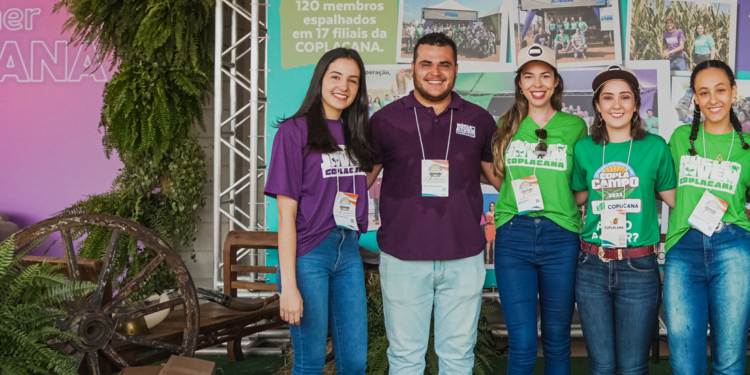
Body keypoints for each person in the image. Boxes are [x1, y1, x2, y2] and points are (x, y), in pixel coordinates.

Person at [368, 33, 501, 374]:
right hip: (402, 259)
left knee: (457, 357)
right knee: (405, 358)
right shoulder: (384, 121)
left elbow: (501, 179)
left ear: (456, 69)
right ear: (412, 68)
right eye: (426, 63)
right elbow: (360, 180)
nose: (435, 72)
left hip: (464, 258)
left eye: (444, 64)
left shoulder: (479, 119)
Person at [265, 48, 374, 375]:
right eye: (336, 77)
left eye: (353, 80)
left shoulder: (356, 134)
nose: (344, 86)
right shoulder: (294, 132)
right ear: (320, 80)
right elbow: (286, 216)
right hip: (309, 253)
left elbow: (353, 185)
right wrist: (289, 286)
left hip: (349, 251)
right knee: (310, 362)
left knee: (355, 361)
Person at [571, 65, 676, 375]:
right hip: (591, 265)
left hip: (638, 267)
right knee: (601, 366)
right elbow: (574, 198)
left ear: (635, 104)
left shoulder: (656, 147)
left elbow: (675, 201)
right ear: (598, 107)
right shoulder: (584, 149)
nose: (616, 104)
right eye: (608, 98)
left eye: (625, 97)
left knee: (632, 367)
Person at [492, 44, 587, 374]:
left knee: (558, 339)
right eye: (529, 75)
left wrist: (555, 203)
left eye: (545, 75)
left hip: (561, 237)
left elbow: (582, 185)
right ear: (519, 83)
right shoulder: (506, 124)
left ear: (557, 82)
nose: (537, 83)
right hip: (513, 236)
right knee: (521, 343)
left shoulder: (575, 127)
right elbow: (500, 178)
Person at [663, 59, 750, 375]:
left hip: (734, 249)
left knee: (729, 361)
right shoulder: (679, 139)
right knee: (685, 364)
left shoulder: (747, 147)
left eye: (721, 90)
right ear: (695, 98)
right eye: (704, 92)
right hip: (683, 248)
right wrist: (688, 212)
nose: (713, 100)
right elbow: (665, 187)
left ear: (733, 92)